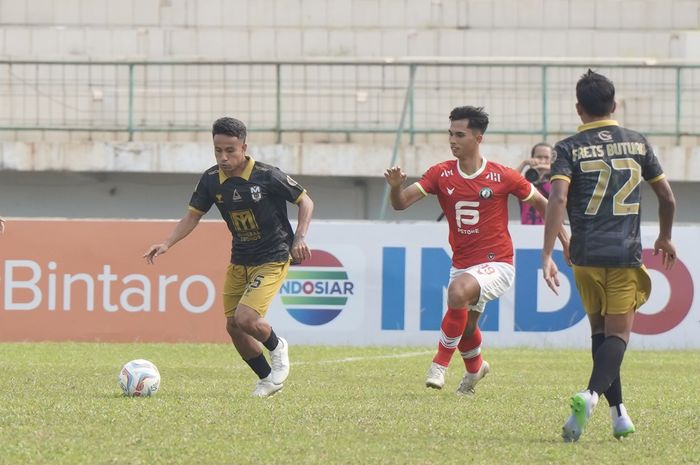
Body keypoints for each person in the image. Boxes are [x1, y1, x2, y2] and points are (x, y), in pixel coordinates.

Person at [385, 105, 568, 395]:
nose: (452, 140)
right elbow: (400, 203)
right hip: (463, 263)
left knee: (457, 293)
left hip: (499, 263)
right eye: (450, 134)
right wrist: (396, 187)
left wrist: (566, 242)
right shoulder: (440, 174)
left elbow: (546, 206)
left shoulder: (503, 176)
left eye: (460, 134)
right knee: (466, 327)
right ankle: (475, 370)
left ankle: (439, 366)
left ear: (478, 138)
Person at [542, 70, 677, 442]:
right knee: (618, 336)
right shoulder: (637, 143)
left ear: (578, 109)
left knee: (600, 334)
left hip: (584, 255)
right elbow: (667, 198)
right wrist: (664, 237)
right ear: (614, 106)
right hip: (624, 253)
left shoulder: (567, 148)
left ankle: (619, 415)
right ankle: (591, 395)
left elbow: (557, 199)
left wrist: (548, 252)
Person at [144, 117, 314, 398]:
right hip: (240, 259)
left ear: (244, 147)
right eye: (217, 150)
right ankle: (267, 379)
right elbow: (193, 216)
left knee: (246, 318)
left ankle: (277, 347)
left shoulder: (267, 175)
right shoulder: (211, 180)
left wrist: (300, 237)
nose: (223, 157)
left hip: (272, 256)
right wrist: (167, 243)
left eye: (230, 151)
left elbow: (305, 200)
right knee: (234, 327)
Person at [515, 143, 553, 224]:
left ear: (552, 160)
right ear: (532, 158)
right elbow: (508, 181)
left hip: (551, 232)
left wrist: (550, 168)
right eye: (539, 157)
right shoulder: (525, 183)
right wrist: (524, 163)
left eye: (546, 158)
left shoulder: (557, 182)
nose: (542, 161)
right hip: (527, 231)